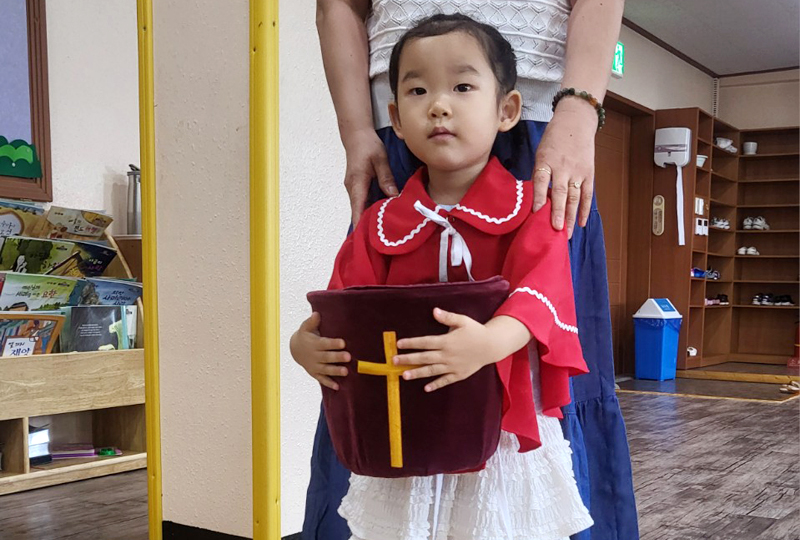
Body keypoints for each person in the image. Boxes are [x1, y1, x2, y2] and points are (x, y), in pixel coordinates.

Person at [307, 1, 639, 540]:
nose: (439, 106)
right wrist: (307, 344)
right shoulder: (381, 224)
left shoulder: (528, 212)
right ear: (397, 116)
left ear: (505, 109)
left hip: (498, 423)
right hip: (405, 420)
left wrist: (490, 343)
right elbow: (344, 306)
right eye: (419, 91)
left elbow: (542, 295)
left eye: (461, 88)